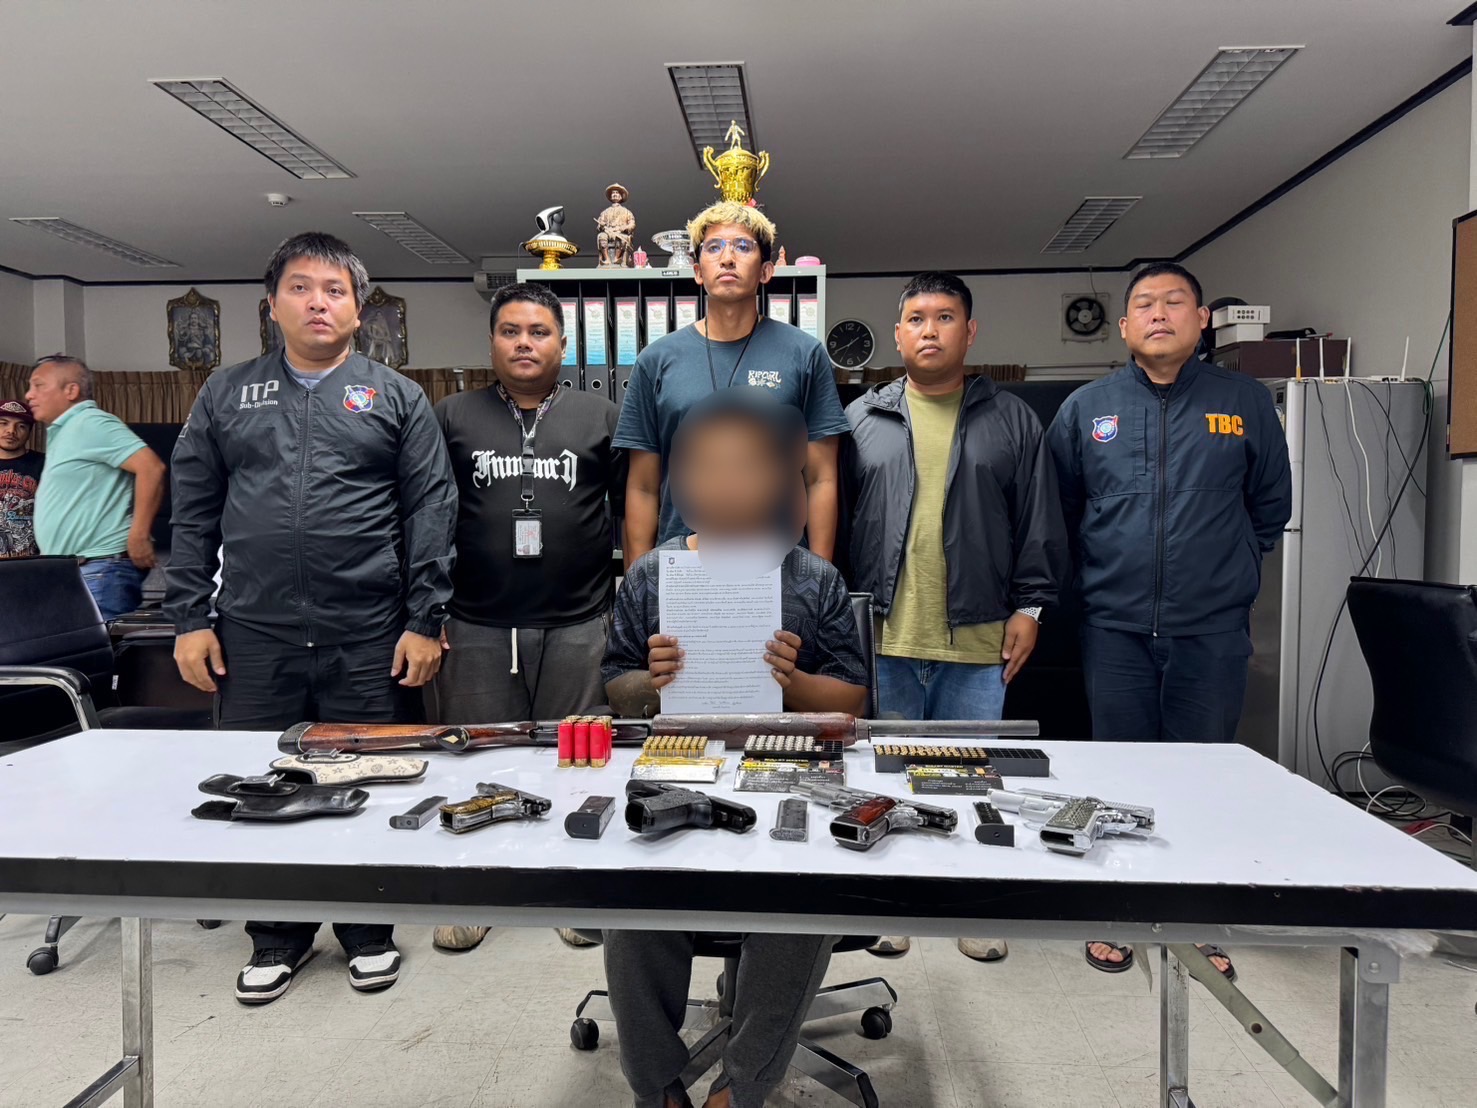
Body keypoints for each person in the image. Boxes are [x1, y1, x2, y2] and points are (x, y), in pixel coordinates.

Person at [165, 231, 456, 1005]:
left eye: (334, 290)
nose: (317, 303)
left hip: (369, 632)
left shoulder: (396, 397)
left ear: (358, 310)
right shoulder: (225, 393)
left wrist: (425, 619)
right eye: (300, 288)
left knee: (368, 780)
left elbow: (431, 511)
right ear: (272, 305)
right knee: (266, 786)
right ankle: (276, 935)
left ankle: (368, 932)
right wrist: (188, 617)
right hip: (253, 632)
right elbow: (191, 510)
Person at [602, 390, 866, 1108]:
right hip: (677, 771)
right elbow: (615, 686)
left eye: (746, 467)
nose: (724, 485)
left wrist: (795, 683)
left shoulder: (813, 579)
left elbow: (851, 700)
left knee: (799, 904)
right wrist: (650, 683)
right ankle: (657, 1084)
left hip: (787, 776)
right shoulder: (652, 575)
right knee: (634, 904)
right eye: (705, 468)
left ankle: (741, 1086)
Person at [1046, 262, 1291, 980]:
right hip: (1114, 626)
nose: (1159, 314)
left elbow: (1270, 506)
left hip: (1210, 630)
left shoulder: (1243, 401)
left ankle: (1196, 920)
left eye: (1174, 301)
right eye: (1144, 305)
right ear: (1123, 326)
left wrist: (1226, 567)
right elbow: (1059, 511)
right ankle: (1121, 911)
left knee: (1203, 776)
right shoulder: (1087, 408)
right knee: (1120, 773)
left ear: (1201, 318)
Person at [842, 272, 1069, 963]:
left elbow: (1039, 519)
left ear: (969, 333)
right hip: (885, 635)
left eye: (945, 317)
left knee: (972, 777)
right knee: (885, 777)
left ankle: (971, 903)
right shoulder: (861, 419)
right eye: (916, 317)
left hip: (977, 636)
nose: (930, 329)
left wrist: (1030, 606)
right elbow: (837, 521)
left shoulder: (1012, 420)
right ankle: (895, 906)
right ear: (898, 334)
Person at [428, 280, 626, 953]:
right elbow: (431, 515)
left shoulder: (599, 416)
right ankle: (481, 891)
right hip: (478, 622)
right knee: (479, 759)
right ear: (492, 342)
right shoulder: (453, 416)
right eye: (510, 331)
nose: (524, 343)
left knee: (578, 761)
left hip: (578, 621)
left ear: (562, 345)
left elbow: (628, 508)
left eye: (538, 332)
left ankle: (570, 889)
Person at [615, 200, 850, 566]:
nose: (727, 258)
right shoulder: (656, 360)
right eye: (714, 247)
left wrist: (820, 580)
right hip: (684, 566)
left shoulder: (804, 354)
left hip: (779, 564)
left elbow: (820, 478)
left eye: (742, 246)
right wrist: (641, 584)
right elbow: (643, 487)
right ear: (697, 271)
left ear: (766, 271)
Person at [27, 356, 166, 619]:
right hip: (79, 571)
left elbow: (151, 468)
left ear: (71, 390)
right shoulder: (66, 429)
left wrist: (138, 535)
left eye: (38, 385)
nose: (29, 394)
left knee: (97, 647)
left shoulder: (90, 422)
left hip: (100, 569)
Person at [0, 400, 44, 559]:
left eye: (21, 426)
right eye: (3, 423)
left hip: (30, 563)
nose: (11, 431)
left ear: (30, 432)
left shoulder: (45, 464)